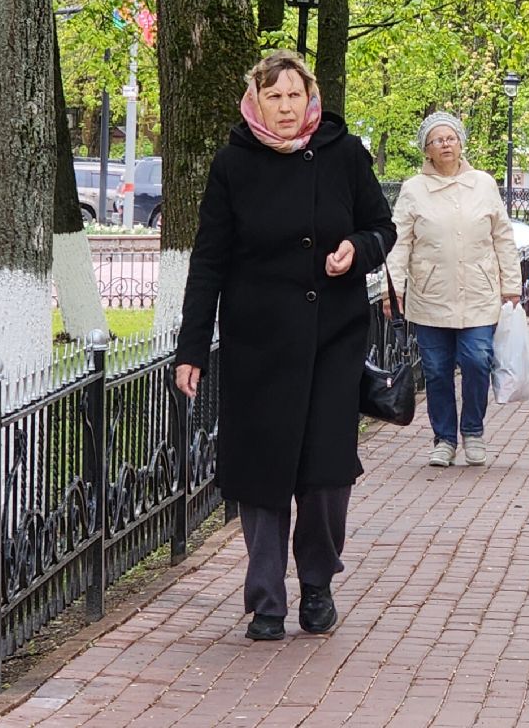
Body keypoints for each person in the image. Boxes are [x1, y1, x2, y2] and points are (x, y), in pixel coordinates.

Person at [172, 50, 393, 642]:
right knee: (263, 476)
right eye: (275, 96)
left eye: (295, 95)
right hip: (259, 348)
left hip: (332, 343)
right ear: (255, 102)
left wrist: (357, 248)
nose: (287, 107)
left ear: (310, 97)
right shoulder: (232, 165)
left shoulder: (345, 154)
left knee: (326, 476)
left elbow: (382, 227)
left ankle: (317, 584)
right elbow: (208, 262)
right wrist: (192, 348)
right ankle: (266, 600)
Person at [387, 112, 521, 468]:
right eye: (437, 140)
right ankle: (444, 440)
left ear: (461, 143)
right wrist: (393, 288)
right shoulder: (414, 189)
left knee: (478, 361)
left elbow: (503, 237)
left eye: (450, 138)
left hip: (478, 292)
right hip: (430, 295)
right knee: (435, 369)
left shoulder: (483, 184)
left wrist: (511, 284)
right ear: (427, 151)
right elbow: (399, 241)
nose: (445, 144)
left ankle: (473, 432)